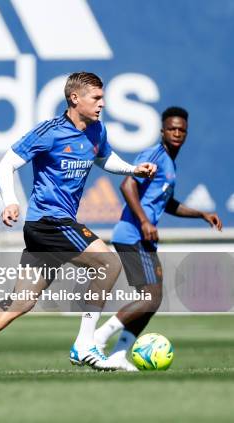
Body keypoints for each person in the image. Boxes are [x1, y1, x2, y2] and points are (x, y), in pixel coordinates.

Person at [0, 72, 157, 374]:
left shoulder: (97, 131)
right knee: (109, 264)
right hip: (48, 222)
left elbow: (104, 159)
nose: (103, 104)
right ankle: (84, 344)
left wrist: (134, 169)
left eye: (103, 97)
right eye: (96, 98)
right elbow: (6, 164)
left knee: (22, 301)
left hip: (54, 226)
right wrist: (11, 201)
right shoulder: (49, 132)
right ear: (74, 99)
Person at [94, 106, 222, 371]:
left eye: (181, 130)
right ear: (162, 130)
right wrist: (143, 221)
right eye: (172, 128)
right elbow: (127, 184)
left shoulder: (170, 162)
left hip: (144, 238)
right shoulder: (155, 154)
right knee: (150, 297)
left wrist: (201, 214)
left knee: (153, 300)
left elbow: (167, 203)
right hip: (132, 235)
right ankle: (98, 338)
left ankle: (118, 354)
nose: (177, 133)